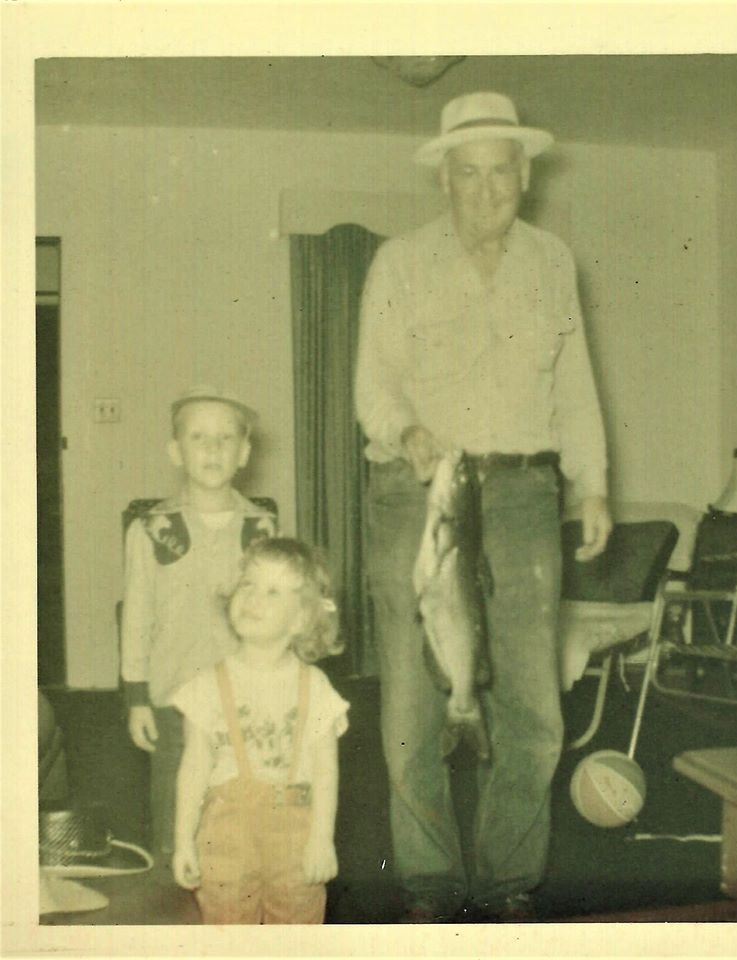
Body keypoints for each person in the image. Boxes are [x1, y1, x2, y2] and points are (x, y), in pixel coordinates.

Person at [354, 91, 612, 922]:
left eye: (500, 173)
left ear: (524, 175)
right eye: (467, 175)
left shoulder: (552, 261)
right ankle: (430, 885)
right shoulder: (398, 261)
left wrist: (593, 480)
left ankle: (506, 884)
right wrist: (409, 435)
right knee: (410, 707)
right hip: (417, 490)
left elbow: (572, 384)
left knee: (534, 705)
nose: (485, 190)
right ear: (444, 180)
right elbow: (373, 383)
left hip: (526, 494)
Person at [120, 386, 277, 868]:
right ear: (176, 451)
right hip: (173, 698)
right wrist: (136, 696)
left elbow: (277, 612)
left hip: (244, 696)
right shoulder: (152, 528)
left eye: (225, 438)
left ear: (244, 453)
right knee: (177, 815)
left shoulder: (263, 528)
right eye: (198, 437)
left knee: (242, 808)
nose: (212, 449)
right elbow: (137, 615)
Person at [170, 537, 348, 924]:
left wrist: (321, 838)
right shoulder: (205, 685)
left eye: (272, 591)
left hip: (296, 837)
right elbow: (194, 768)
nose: (253, 597)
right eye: (248, 584)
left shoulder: (315, 687)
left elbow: (325, 771)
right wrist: (183, 841)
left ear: (301, 618)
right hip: (225, 834)